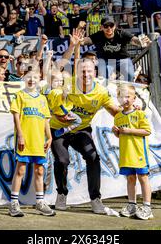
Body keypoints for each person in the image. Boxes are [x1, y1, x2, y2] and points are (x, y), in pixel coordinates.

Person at [50, 58, 121, 215]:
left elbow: (115, 111)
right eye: (82, 71)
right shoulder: (68, 84)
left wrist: (130, 111)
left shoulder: (101, 92)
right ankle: (61, 193)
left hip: (81, 130)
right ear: (77, 73)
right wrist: (59, 116)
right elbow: (51, 102)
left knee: (93, 156)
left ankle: (95, 199)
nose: (86, 74)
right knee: (62, 161)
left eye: (89, 71)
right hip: (59, 129)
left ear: (94, 73)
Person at [9, 67, 55, 217]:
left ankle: (40, 202)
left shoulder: (42, 99)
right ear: (23, 78)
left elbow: (46, 120)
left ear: (39, 79)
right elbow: (16, 117)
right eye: (29, 76)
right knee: (21, 169)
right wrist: (20, 135)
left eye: (35, 77)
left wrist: (49, 137)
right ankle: (14, 203)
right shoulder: (20, 96)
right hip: (25, 139)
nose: (31, 79)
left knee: (39, 170)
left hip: (38, 141)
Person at [112, 84, 152, 220]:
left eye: (128, 96)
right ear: (118, 99)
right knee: (130, 179)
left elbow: (147, 131)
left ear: (134, 98)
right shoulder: (117, 117)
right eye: (122, 97)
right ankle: (132, 205)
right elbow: (120, 136)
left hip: (139, 153)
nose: (125, 100)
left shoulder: (140, 114)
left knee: (143, 178)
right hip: (126, 154)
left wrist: (129, 130)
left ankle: (147, 207)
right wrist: (116, 133)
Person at [82, 16, 150, 81]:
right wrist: (80, 40)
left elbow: (133, 39)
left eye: (111, 25)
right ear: (101, 27)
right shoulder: (99, 35)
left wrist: (140, 41)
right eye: (106, 26)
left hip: (122, 59)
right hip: (106, 60)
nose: (109, 28)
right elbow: (87, 40)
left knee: (130, 75)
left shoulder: (121, 33)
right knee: (104, 79)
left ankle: (128, 91)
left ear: (114, 26)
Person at [47, 70, 82, 138]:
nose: (59, 83)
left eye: (61, 81)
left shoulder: (53, 90)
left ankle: (63, 130)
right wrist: (65, 91)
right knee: (78, 121)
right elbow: (62, 96)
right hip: (64, 111)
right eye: (56, 81)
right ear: (50, 82)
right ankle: (66, 130)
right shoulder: (55, 91)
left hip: (58, 111)